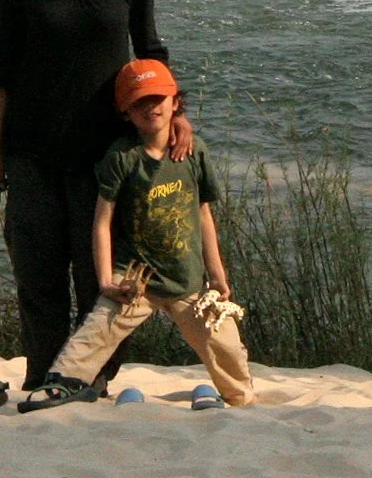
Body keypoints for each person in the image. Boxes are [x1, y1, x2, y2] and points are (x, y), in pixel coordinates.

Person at [0, 0, 188, 392]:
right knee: (37, 276)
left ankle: (91, 380)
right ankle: (41, 376)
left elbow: (149, 51)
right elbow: (2, 64)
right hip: (31, 147)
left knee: (102, 278)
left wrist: (178, 115)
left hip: (105, 153)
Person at [19, 59, 252, 412]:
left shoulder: (194, 151)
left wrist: (217, 274)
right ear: (125, 112)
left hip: (187, 280)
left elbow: (204, 214)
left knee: (227, 348)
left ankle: (240, 399)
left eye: (158, 98)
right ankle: (59, 388)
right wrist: (105, 282)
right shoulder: (122, 157)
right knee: (93, 335)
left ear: (176, 102)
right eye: (139, 101)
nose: (150, 107)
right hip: (134, 278)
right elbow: (101, 223)